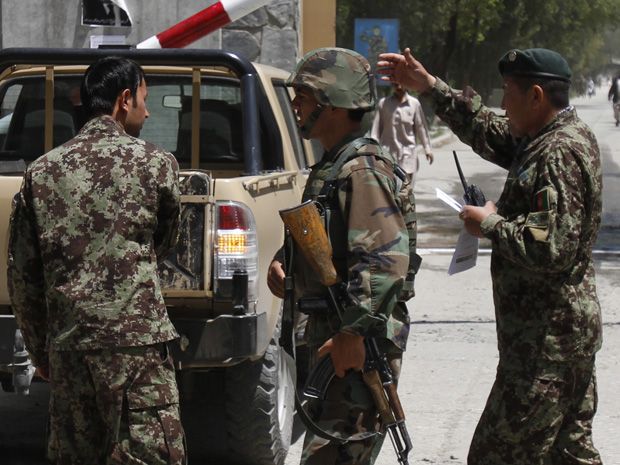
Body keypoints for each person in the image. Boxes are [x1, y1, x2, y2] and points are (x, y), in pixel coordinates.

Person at [378, 47, 603, 464]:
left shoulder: (556, 153)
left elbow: (552, 246)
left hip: (544, 346)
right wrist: (431, 87)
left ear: (536, 96)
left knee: (495, 455)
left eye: (508, 93)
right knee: (569, 454)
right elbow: (489, 130)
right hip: (560, 338)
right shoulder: (548, 137)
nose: (501, 103)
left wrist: (490, 224)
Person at [8, 56, 186, 465]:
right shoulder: (156, 164)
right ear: (124, 100)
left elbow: (23, 276)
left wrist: (41, 351)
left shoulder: (42, 171)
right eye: (144, 98)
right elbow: (165, 241)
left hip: (70, 348)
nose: (148, 109)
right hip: (136, 352)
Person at [267, 47, 414, 465]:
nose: (296, 106)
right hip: (336, 341)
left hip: (354, 347)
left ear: (330, 104)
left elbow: (386, 262)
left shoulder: (361, 170)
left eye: (304, 97)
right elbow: (335, 239)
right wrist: (286, 263)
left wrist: (354, 333)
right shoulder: (335, 167)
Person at [370, 82, 433, 182]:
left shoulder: (414, 104)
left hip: (408, 154)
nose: (399, 87)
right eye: (396, 84)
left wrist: (427, 149)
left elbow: (421, 127)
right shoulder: (384, 103)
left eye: (401, 83)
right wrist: (372, 149)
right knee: (390, 188)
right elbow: (376, 130)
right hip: (388, 154)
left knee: (406, 188)